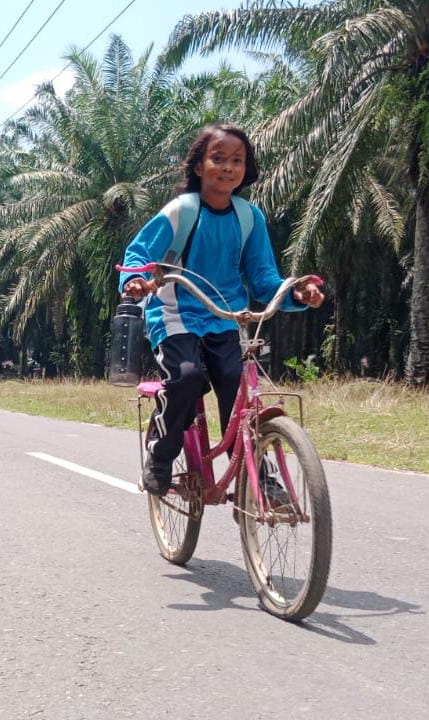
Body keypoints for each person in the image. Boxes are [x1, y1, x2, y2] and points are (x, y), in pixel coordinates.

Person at [118, 123, 325, 497]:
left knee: (236, 383)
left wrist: (296, 292)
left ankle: (256, 474)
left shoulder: (249, 218)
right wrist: (135, 282)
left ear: (246, 169)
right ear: (199, 166)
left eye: (237, 160)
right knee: (186, 376)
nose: (228, 167)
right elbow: (138, 256)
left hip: (225, 316)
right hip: (175, 312)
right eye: (218, 159)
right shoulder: (181, 212)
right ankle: (160, 457)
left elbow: (263, 277)